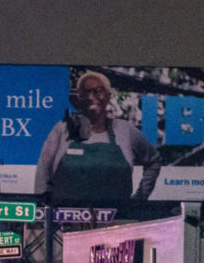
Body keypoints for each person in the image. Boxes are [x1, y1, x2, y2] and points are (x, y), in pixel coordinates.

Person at [33, 70, 161, 206]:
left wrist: (139, 199)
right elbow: (44, 168)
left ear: (108, 96)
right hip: (67, 221)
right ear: (78, 98)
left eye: (98, 91)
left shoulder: (126, 130)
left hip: (118, 222)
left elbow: (154, 161)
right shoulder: (62, 129)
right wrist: (41, 209)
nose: (91, 97)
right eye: (85, 93)